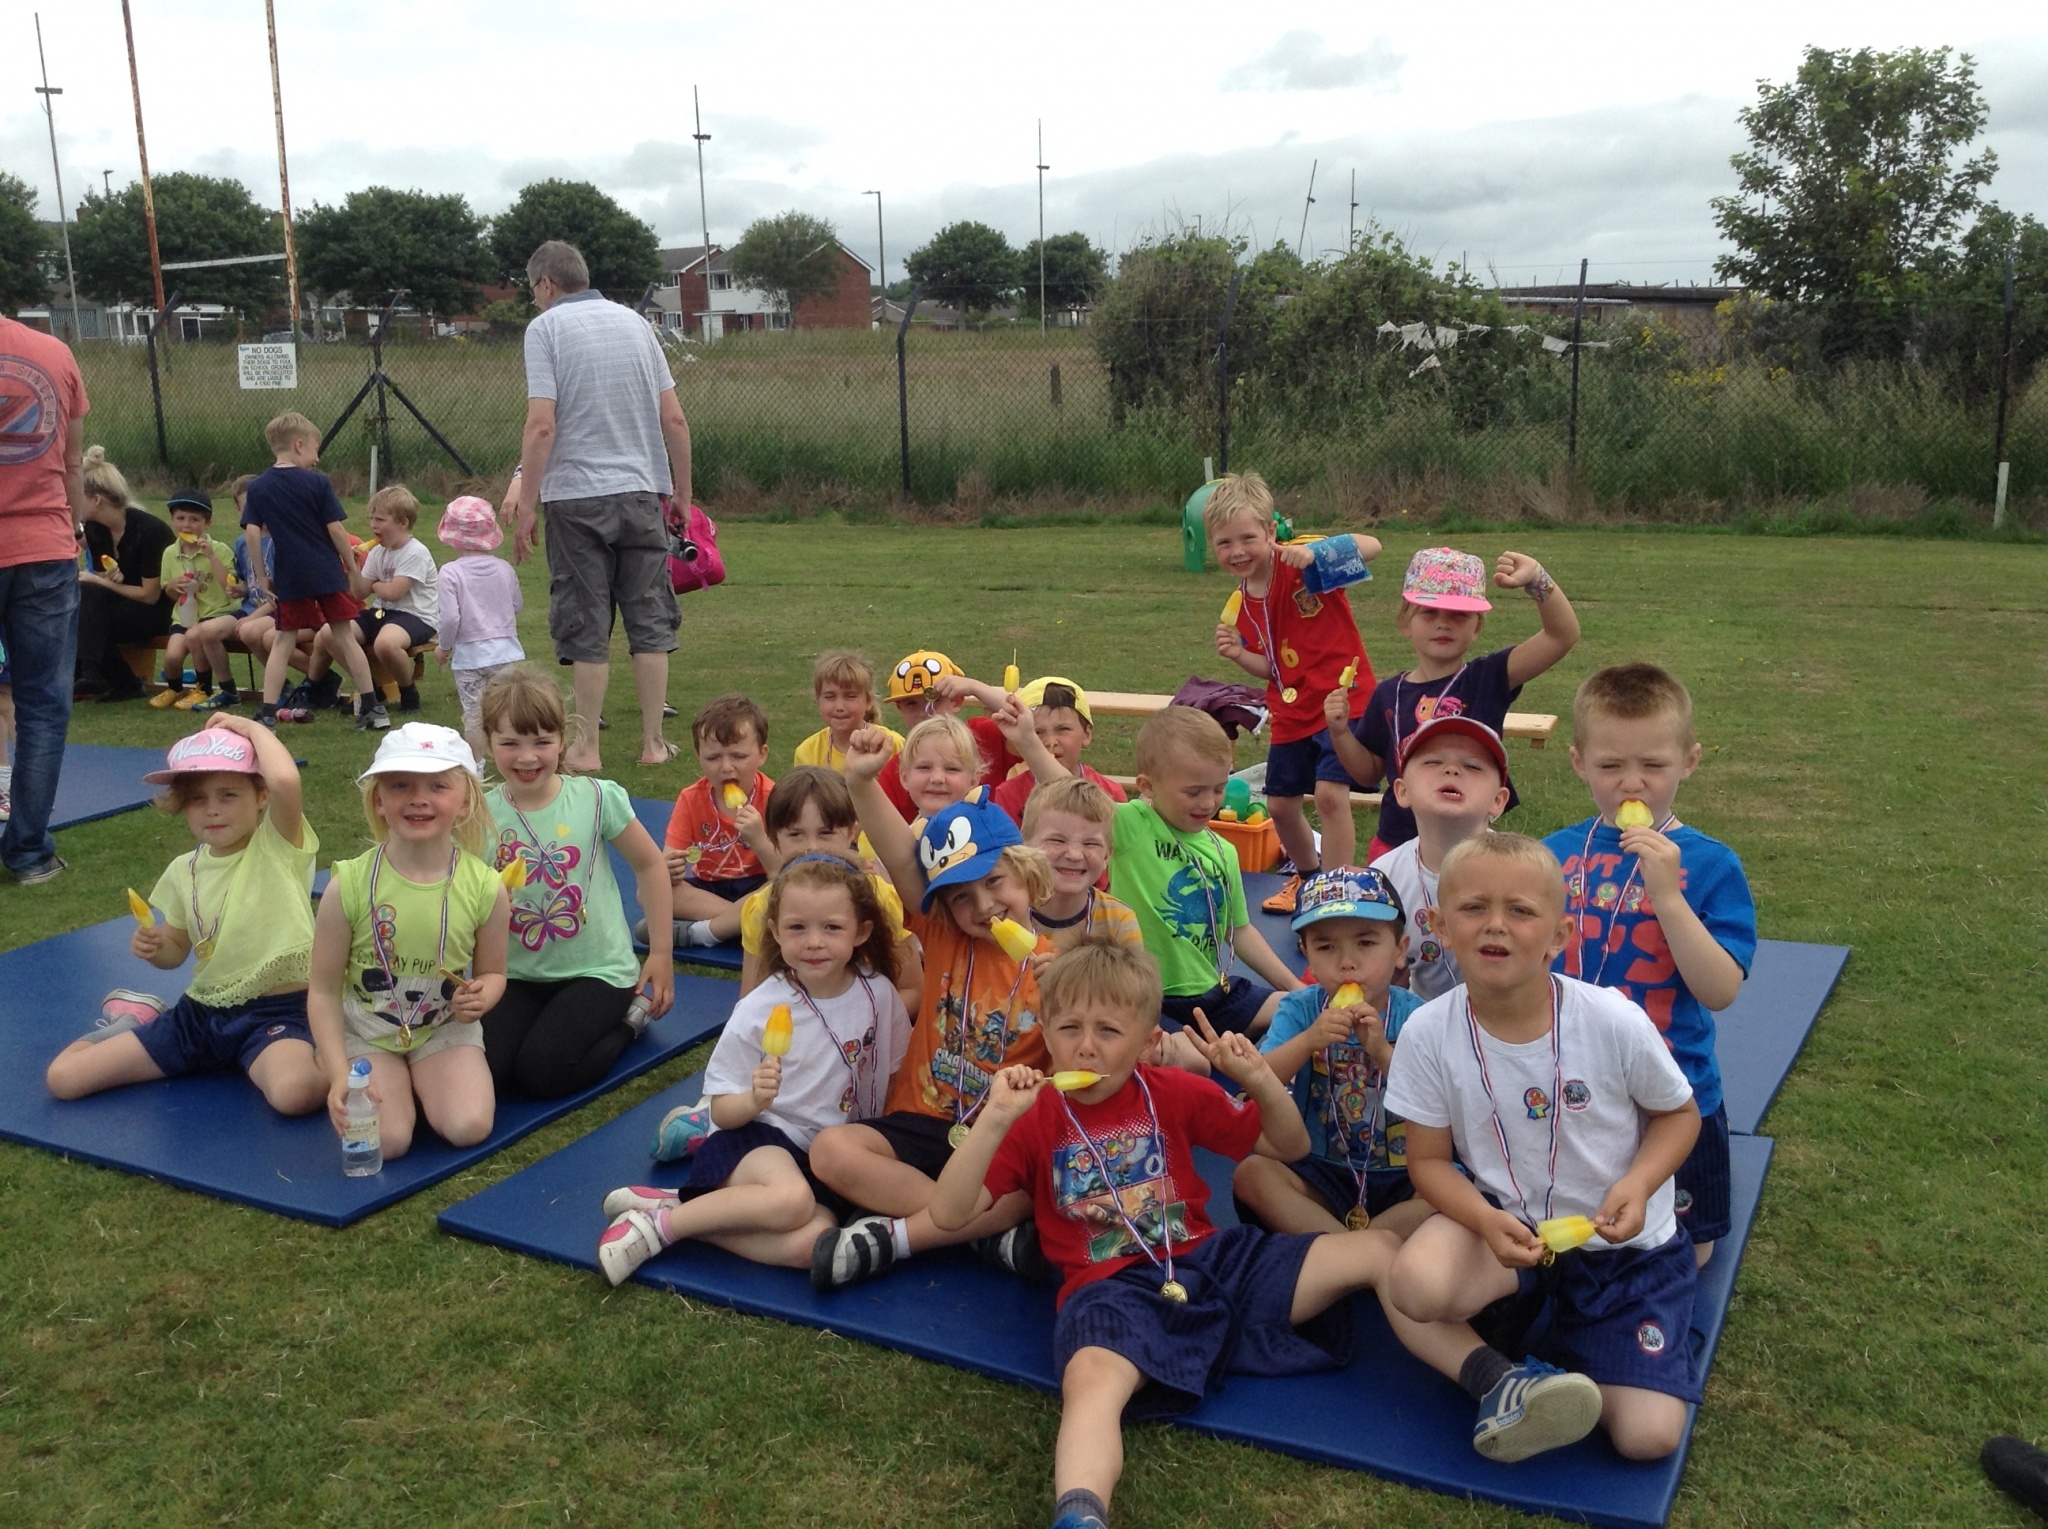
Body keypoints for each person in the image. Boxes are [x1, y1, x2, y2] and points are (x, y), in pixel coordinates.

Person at [930, 937, 1409, 1529]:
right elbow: (950, 1213)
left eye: (1108, 1031)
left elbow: (1290, 1146)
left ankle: (1487, 1375)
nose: (1085, 1045)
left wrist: (1258, 1078)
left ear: (1147, 1041)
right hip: (1110, 1288)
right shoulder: (1031, 1117)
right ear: (1046, 1032)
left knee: (1380, 1249)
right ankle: (1080, 1516)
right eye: (1068, 1027)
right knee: (1092, 1383)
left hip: (1212, 1262)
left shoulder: (1173, 1091)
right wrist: (995, 1119)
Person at [1383, 833, 1702, 1464]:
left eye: (1521, 911)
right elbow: (1426, 1162)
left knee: (1648, 1437)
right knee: (1414, 1287)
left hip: (1620, 1247)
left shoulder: (1610, 1019)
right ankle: (1506, 1380)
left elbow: (1679, 1116)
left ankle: (1575, 1372)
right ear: (1440, 927)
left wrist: (1637, 1187)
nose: (1496, 925)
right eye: (1474, 908)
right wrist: (1483, 1219)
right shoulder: (1426, 1030)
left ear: (1559, 937)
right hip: (1509, 1234)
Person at [595, 855, 912, 1282]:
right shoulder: (761, 1008)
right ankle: (655, 1229)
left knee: (815, 1238)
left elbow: (893, 1077)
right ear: (776, 932)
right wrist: (754, 1099)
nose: (814, 942)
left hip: (827, 1154)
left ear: (862, 932)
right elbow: (721, 1111)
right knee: (792, 1202)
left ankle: (691, 1215)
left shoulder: (880, 995)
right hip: (759, 1139)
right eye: (797, 927)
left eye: (832, 927)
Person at [808, 770, 1058, 1291]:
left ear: (1028, 875)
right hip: (920, 1120)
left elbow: (1074, 1078)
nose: (983, 906)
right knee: (830, 1152)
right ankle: (980, 1236)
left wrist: (1063, 1008)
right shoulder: (944, 934)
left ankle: (897, 1237)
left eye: (994, 883)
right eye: (962, 897)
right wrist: (859, 780)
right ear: (944, 908)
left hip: (993, 1136)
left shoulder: (1062, 972)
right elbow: (901, 855)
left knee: (1035, 1189)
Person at [1544, 663, 1755, 1267]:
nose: (1631, 784)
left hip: (1677, 1091)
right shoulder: (1555, 855)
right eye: (1610, 766)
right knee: (1585, 1231)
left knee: (1693, 1250)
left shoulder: (1711, 865)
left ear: (1689, 761)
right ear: (1579, 762)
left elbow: (1719, 992)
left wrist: (1667, 895)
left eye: (1653, 767)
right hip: (1576, 1086)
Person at [43, 717, 326, 1114]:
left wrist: (250, 727)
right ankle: (130, 1021)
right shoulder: (183, 870)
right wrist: (156, 946)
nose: (212, 810)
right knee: (64, 1078)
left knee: (296, 1094)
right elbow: (176, 951)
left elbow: (287, 782)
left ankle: (343, 1038)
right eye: (197, 799)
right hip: (200, 1016)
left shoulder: (277, 846)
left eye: (228, 795)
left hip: (274, 1017)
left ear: (260, 795)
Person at [498, 240, 691, 772]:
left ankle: (587, 748)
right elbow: (674, 420)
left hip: (575, 498)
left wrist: (529, 501)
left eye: (532, 290)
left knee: (586, 622)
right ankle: (653, 743)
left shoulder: (545, 330)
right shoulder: (637, 324)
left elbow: (542, 424)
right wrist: (682, 494)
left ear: (545, 284)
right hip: (641, 492)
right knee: (649, 617)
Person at [308, 723, 510, 1160]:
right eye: (400, 785)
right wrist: (340, 1073)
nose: (419, 799)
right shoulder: (349, 885)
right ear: (379, 801)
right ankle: (368, 1074)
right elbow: (323, 991)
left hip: (443, 1028)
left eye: (438, 786)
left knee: (469, 1125)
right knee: (389, 1141)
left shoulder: (486, 887)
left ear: (465, 801)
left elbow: (494, 973)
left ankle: (421, 1078)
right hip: (365, 1029)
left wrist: (482, 997)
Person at [480, 668, 674, 1099]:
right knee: (489, 1073)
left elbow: (650, 865)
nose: (527, 758)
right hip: (514, 972)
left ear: (563, 739)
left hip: (597, 971)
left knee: (541, 1073)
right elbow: (461, 900)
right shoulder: (479, 815)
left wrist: (660, 952)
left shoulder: (596, 797)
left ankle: (629, 1024)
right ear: (488, 740)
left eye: (541, 742)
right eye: (510, 743)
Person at [1328, 545, 1581, 859]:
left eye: (1459, 615)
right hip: (1396, 846)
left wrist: (1537, 580)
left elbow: (1562, 635)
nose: (1443, 623)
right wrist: (1340, 733)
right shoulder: (1387, 694)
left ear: (1477, 628)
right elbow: (1367, 774)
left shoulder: (1487, 678)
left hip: (1471, 850)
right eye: (1429, 611)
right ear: (1406, 623)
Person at [1210, 471, 1383, 913]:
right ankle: (1308, 880)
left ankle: (1338, 889)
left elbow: (1372, 546)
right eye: (1224, 543)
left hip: (1341, 699)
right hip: (1290, 708)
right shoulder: (1243, 600)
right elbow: (1271, 666)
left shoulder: (1303, 562)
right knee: (1280, 805)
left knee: (1329, 795)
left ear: (1271, 532)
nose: (1238, 551)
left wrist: (1316, 553)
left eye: (1248, 538)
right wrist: (1239, 656)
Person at [1235, 866, 1431, 1237]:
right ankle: (1360, 1251)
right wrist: (1308, 1040)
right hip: (1320, 1170)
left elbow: (1437, 1101)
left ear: (1400, 950)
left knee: (1449, 1193)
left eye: (1366, 943)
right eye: (1326, 947)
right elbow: (1259, 1077)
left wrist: (1381, 1053)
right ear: (1305, 953)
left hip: (1404, 1174)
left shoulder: (1419, 1018)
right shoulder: (1300, 1009)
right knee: (1252, 1174)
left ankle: (1344, 1253)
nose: (1347, 962)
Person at [1103, 706, 1304, 1035]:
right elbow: (1071, 794)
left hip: (1212, 994)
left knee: (1302, 1010)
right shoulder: (1131, 825)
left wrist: (1294, 986)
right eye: (1193, 792)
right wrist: (1028, 739)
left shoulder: (1224, 851)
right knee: (1184, 1057)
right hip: (1144, 999)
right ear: (1148, 786)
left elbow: (1238, 931)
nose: (1209, 803)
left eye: (1219, 788)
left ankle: (1239, 1060)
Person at [0, 308, 89, 880]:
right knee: (42, 708)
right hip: (44, 545)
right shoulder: (53, 353)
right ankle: (29, 854)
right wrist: (76, 530)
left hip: (41, 545)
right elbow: (73, 463)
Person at [240, 412, 382, 730]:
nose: (317, 459)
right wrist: (351, 568)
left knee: (282, 641)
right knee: (345, 636)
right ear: (299, 444)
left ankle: (266, 714)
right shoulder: (318, 483)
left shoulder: (258, 487)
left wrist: (262, 578)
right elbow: (335, 530)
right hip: (326, 572)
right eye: (316, 449)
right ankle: (373, 707)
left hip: (290, 575)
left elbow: (252, 533)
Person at [1370, 714, 1513, 1003]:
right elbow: (1385, 973)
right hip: (1423, 1023)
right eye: (1433, 762)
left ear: (1498, 801)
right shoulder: (1383, 877)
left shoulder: (1520, 873)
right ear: (1402, 791)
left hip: (1508, 1021)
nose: (1451, 770)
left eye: (1472, 766)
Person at [302, 485, 439, 715]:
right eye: (371, 519)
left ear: (403, 523)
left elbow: (394, 592)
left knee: (385, 644)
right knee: (329, 633)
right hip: (382, 612)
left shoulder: (416, 552)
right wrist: (353, 566)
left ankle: (408, 692)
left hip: (415, 615)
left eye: (380, 520)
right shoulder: (378, 552)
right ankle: (372, 691)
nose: (373, 525)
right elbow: (358, 592)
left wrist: (374, 584)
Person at [659, 693, 774, 949]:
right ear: (699, 757)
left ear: (762, 754)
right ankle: (745, 923)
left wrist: (759, 840)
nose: (726, 767)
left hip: (758, 885)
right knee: (649, 892)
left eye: (739, 756)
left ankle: (706, 932)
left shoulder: (774, 797)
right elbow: (669, 862)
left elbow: (784, 869)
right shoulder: (691, 799)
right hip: (709, 888)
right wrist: (668, 868)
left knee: (781, 889)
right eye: (713, 758)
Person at [73, 445, 172, 705]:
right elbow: (102, 584)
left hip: (155, 610)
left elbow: (151, 596)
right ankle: (101, 677)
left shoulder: (150, 531)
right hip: (120, 605)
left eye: (77, 496)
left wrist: (100, 582)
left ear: (96, 499)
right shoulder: (97, 530)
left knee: (88, 612)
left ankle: (98, 675)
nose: (72, 502)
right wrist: (105, 581)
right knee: (82, 601)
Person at [873, 649, 1021, 818]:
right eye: (911, 704)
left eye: (934, 701)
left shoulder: (983, 734)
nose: (925, 712)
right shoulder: (897, 767)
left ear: (957, 701)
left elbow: (1026, 722)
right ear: (900, 709)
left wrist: (975, 687)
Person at [432, 494, 525, 759]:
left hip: (469, 658)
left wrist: (444, 646)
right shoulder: (505, 568)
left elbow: (450, 618)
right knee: (509, 710)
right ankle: (517, 759)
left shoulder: (450, 572)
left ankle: (477, 767)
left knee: (473, 715)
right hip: (507, 652)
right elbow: (516, 605)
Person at [1021, 776, 1142, 952]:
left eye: (1090, 844)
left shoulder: (1119, 922)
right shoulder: (1007, 911)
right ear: (1025, 845)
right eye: (1057, 840)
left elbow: (1133, 980)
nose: (1074, 855)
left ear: (1107, 856)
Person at [987, 677, 1128, 825]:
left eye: (1063, 729)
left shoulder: (1111, 792)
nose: (1051, 742)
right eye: (1038, 732)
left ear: (1086, 734)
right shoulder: (1009, 793)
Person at [149, 487, 241, 712]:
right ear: (172, 520)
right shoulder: (170, 553)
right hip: (184, 615)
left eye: (194, 520)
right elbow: (169, 593)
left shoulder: (219, 549)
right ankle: (174, 687)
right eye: (180, 518)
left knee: (194, 637)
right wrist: (172, 587)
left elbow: (230, 586)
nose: (187, 525)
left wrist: (210, 555)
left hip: (216, 612)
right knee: (172, 657)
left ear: (207, 523)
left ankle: (203, 689)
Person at [791, 649, 900, 771]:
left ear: (868, 701)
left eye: (850, 696)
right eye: (829, 697)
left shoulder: (893, 744)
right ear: (818, 700)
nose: (839, 707)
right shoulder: (808, 752)